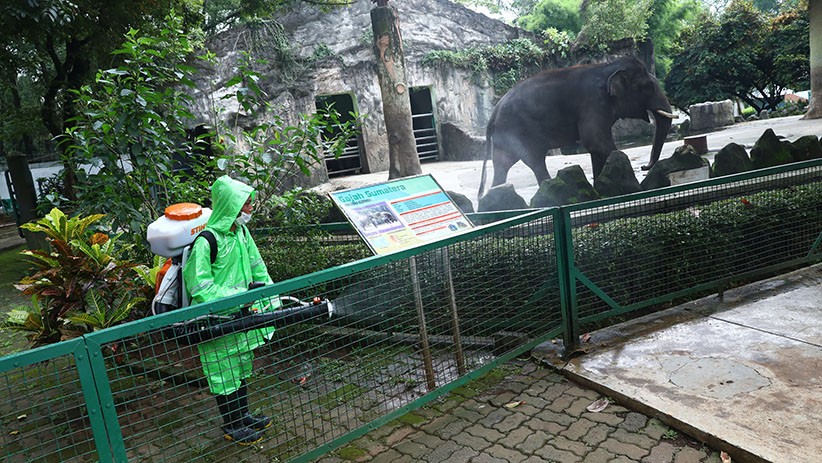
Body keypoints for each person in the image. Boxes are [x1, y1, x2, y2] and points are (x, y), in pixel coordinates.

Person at [182, 175, 278, 445]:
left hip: (242, 318)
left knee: (241, 368)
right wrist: (240, 297)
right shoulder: (206, 242)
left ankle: (243, 414)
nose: (250, 209)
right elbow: (200, 287)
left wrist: (270, 296)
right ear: (231, 205)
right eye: (246, 204)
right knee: (222, 374)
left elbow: (258, 267)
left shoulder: (240, 233)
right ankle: (231, 424)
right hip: (217, 322)